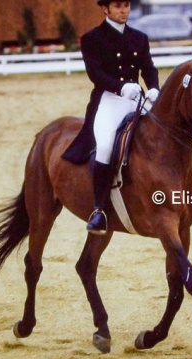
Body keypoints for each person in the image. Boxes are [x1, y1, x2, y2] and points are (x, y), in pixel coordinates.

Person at [63, 0, 160, 235]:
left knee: (161, 137)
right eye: (117, 6)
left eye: (126, 5)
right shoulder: (92, 38)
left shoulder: (139, 37)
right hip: (109, 100)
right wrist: (121, 87)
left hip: (136, 99)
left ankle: (174, 203)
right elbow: (95, 74)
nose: (123, 10)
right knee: (106, 146)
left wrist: (155, 87)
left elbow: (148, 68)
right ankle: (99, 210)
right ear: (105, 9)